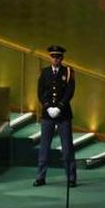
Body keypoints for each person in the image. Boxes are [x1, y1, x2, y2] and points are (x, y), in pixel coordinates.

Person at [35, 45, 76, 187]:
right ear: (50, 57)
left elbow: (69, 92)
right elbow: (40, 92)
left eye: (58, 57)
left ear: (62, 58)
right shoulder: (44, 72)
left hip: (63, 114)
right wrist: (47, 107)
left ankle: (71, 177)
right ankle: (41, 177)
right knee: (44, 146)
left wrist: (59, 107)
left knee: (67, 147)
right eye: (53, 56)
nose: (56, 59)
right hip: (48, 114)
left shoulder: (68, 72)